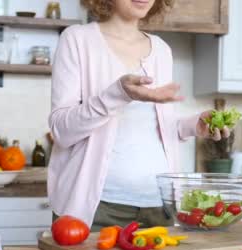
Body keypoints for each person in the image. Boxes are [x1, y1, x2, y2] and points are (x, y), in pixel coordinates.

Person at [48, 0, 229, 231]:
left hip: (160, 204)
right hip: (99, 208)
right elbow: (61, 130)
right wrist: (117, 94)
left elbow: (157, 125)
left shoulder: (161, 50)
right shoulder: (77, 40)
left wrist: (193, 125)